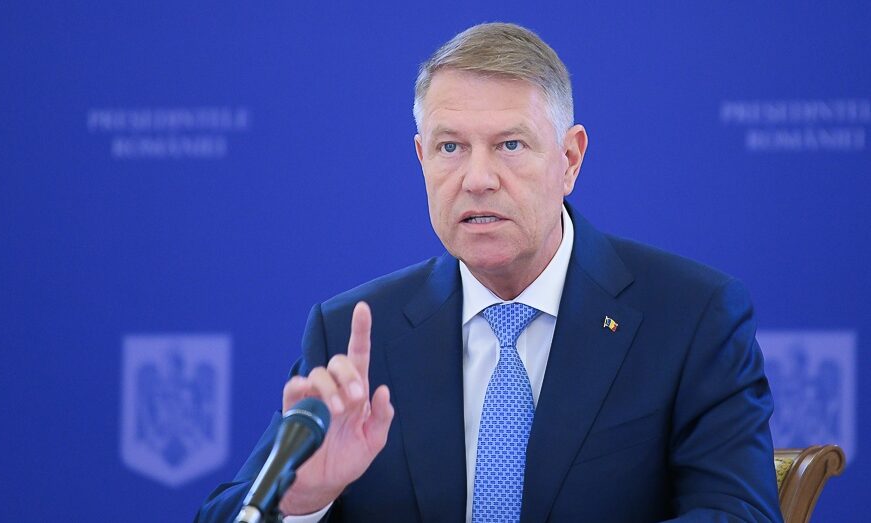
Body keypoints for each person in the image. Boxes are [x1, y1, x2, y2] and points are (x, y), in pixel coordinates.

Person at [198, 23, 782, 522]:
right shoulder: (354, 334)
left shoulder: (691, 317)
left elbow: (739, 513)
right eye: (451, 147)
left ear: (570, 159)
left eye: (510, 145)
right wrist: (303, 499)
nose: (477, 179)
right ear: (421, 159)